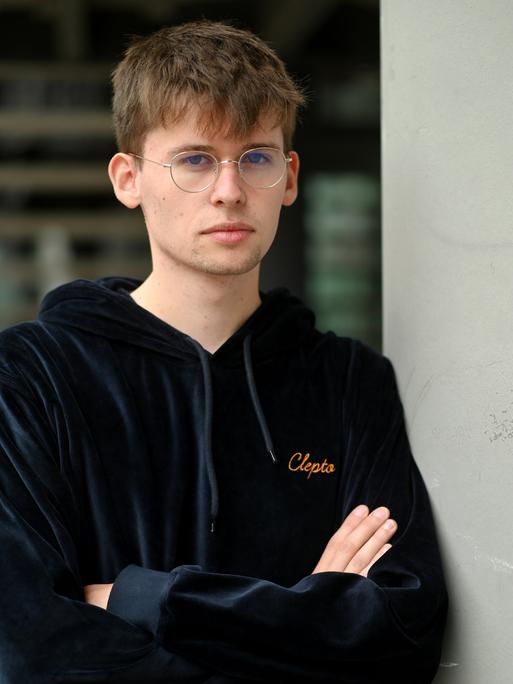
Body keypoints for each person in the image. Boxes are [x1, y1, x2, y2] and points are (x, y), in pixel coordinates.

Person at [0, 20, 447, 684]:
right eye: (194, 159)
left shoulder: (349, 380)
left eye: (256, 157)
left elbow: (400, 633)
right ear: (128, 179)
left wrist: (138, 598)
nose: (229, 190)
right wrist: (306, 615)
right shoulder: (30, 376)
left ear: (289, 177)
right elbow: (32, 648)